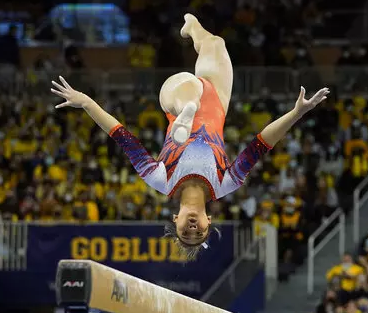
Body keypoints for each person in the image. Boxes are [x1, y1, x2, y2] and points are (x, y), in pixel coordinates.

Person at [51, 13, 328, 260]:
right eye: (199, 234)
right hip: (217, 101)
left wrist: (87, 102)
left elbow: (122, 136)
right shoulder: (224, 183)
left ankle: (188, 109)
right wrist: (296, 113)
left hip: (174, 96)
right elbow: (261, 144)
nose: (193, 230)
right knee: (216, 43)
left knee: (190, 90)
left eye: (185, 233)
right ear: (209, 220)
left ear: (176, 218)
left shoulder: (160, 178)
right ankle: (192, 26)